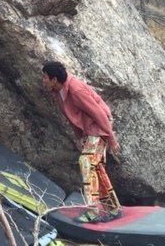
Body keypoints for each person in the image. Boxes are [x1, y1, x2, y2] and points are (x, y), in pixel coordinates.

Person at [41, 61, 122, 222]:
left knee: (86, 161)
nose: (43, 80)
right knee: (96, 167)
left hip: (100, 126)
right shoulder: (58, 92)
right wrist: (80, 137)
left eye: (45, 77)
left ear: (54, 79)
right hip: (90, 130)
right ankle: (112, 207)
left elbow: (98, 114)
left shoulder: (76, 90)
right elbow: (71, 117)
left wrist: (111, 139)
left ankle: (93, 211)